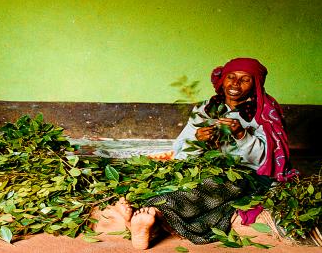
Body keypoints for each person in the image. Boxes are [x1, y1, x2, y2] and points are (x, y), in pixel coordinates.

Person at [107, 58, 296, 249]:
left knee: (214, 187)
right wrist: (197, 140)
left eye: (245, 79)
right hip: (204, 166)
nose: (235, 84)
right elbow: (181, 151)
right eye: (231, 77)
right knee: (172, 180)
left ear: (256, 84)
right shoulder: (205, 109)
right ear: (223, 80)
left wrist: (242, 135)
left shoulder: (265, 113)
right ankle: (147, 222)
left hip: (246, 174)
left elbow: (265, 162)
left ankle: (150, 214)